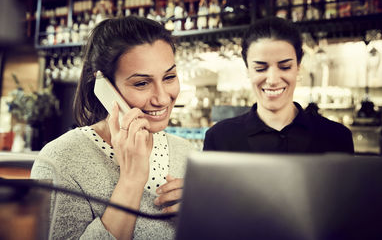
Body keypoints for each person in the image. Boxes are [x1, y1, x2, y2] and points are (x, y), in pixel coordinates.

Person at [31, 16, 195, 239]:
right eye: (141, 83)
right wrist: (131, 181)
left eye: (169, 77)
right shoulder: (58, 160)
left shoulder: (186, 152)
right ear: (103, 86)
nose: (163, 98)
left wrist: (201, 215)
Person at [203, 17, 354, 154]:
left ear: (298, 67)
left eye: (285, 67)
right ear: (248, 70)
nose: (273, 80)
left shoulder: (337, 137)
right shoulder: (219, 138)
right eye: (260, 68)